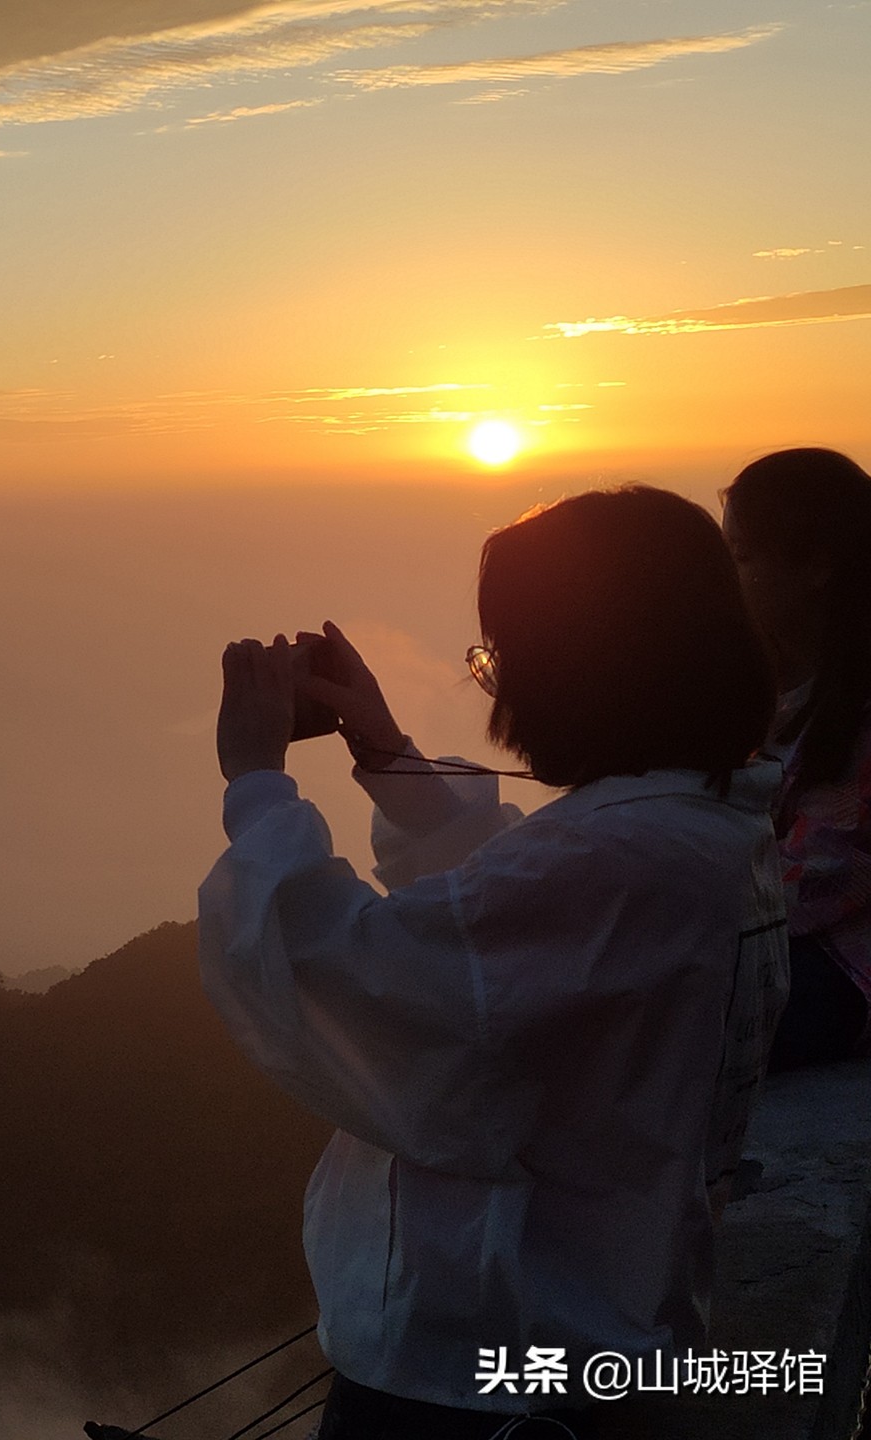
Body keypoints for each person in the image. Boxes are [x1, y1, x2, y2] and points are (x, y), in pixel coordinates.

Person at [199, 486, 786, 1438]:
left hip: (483, 1389)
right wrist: (383, 750)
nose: (497, 680)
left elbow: (353, 980)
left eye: (503, 656)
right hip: (599, 1348)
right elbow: (514, 938)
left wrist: (258, 786)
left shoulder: (619, 858)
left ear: (582, 667)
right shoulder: (709, 827)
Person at [721, 447, 871, 1070]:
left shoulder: (860, 714)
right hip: (766, 957)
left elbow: (819, 883)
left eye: (744, 558)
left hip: (838, 977)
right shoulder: (758, 692)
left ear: (815, 568)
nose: (727, 579)